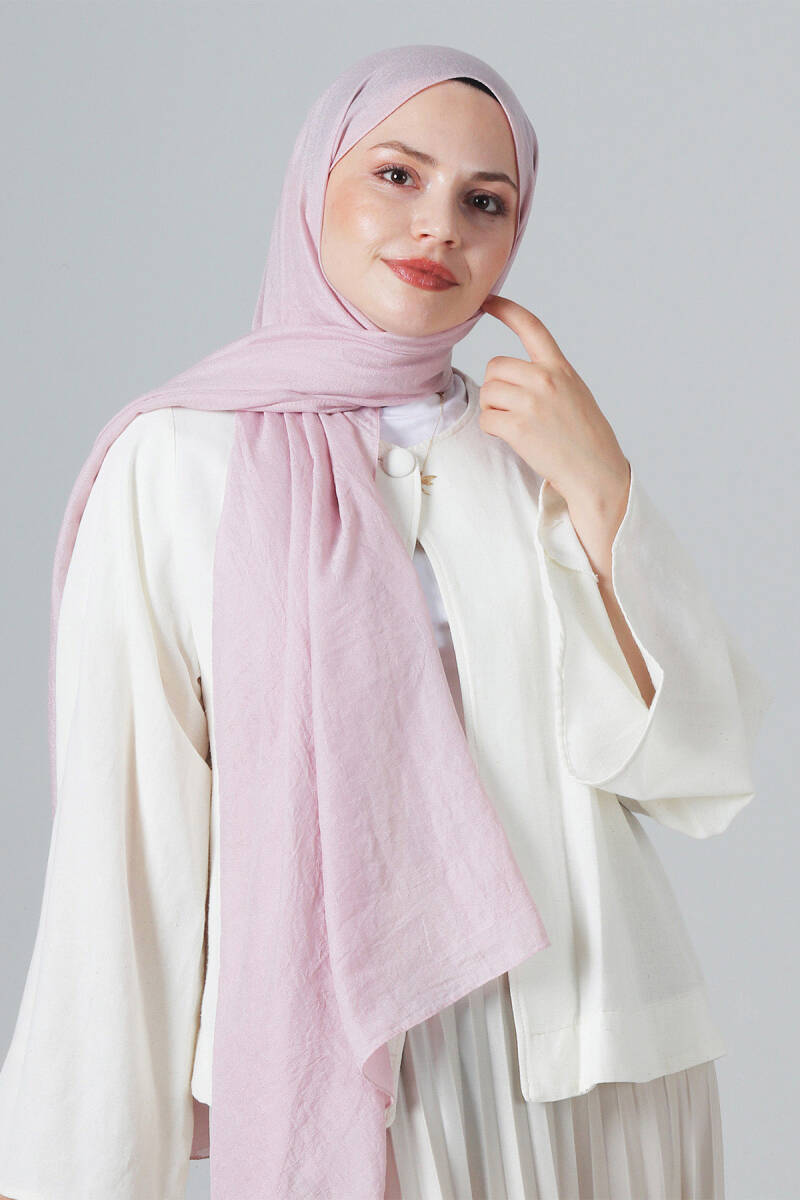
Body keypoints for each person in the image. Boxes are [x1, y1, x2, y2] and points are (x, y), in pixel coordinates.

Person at [0, 45, 769, 1200]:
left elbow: (690, 764)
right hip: (366, 1077)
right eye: (396, 175)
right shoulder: (173, 465)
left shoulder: (532, 450)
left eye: (484, 201)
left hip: (601, 1065)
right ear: (313, 186)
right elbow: (126, 862)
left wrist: (603, 488)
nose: (438, 227)